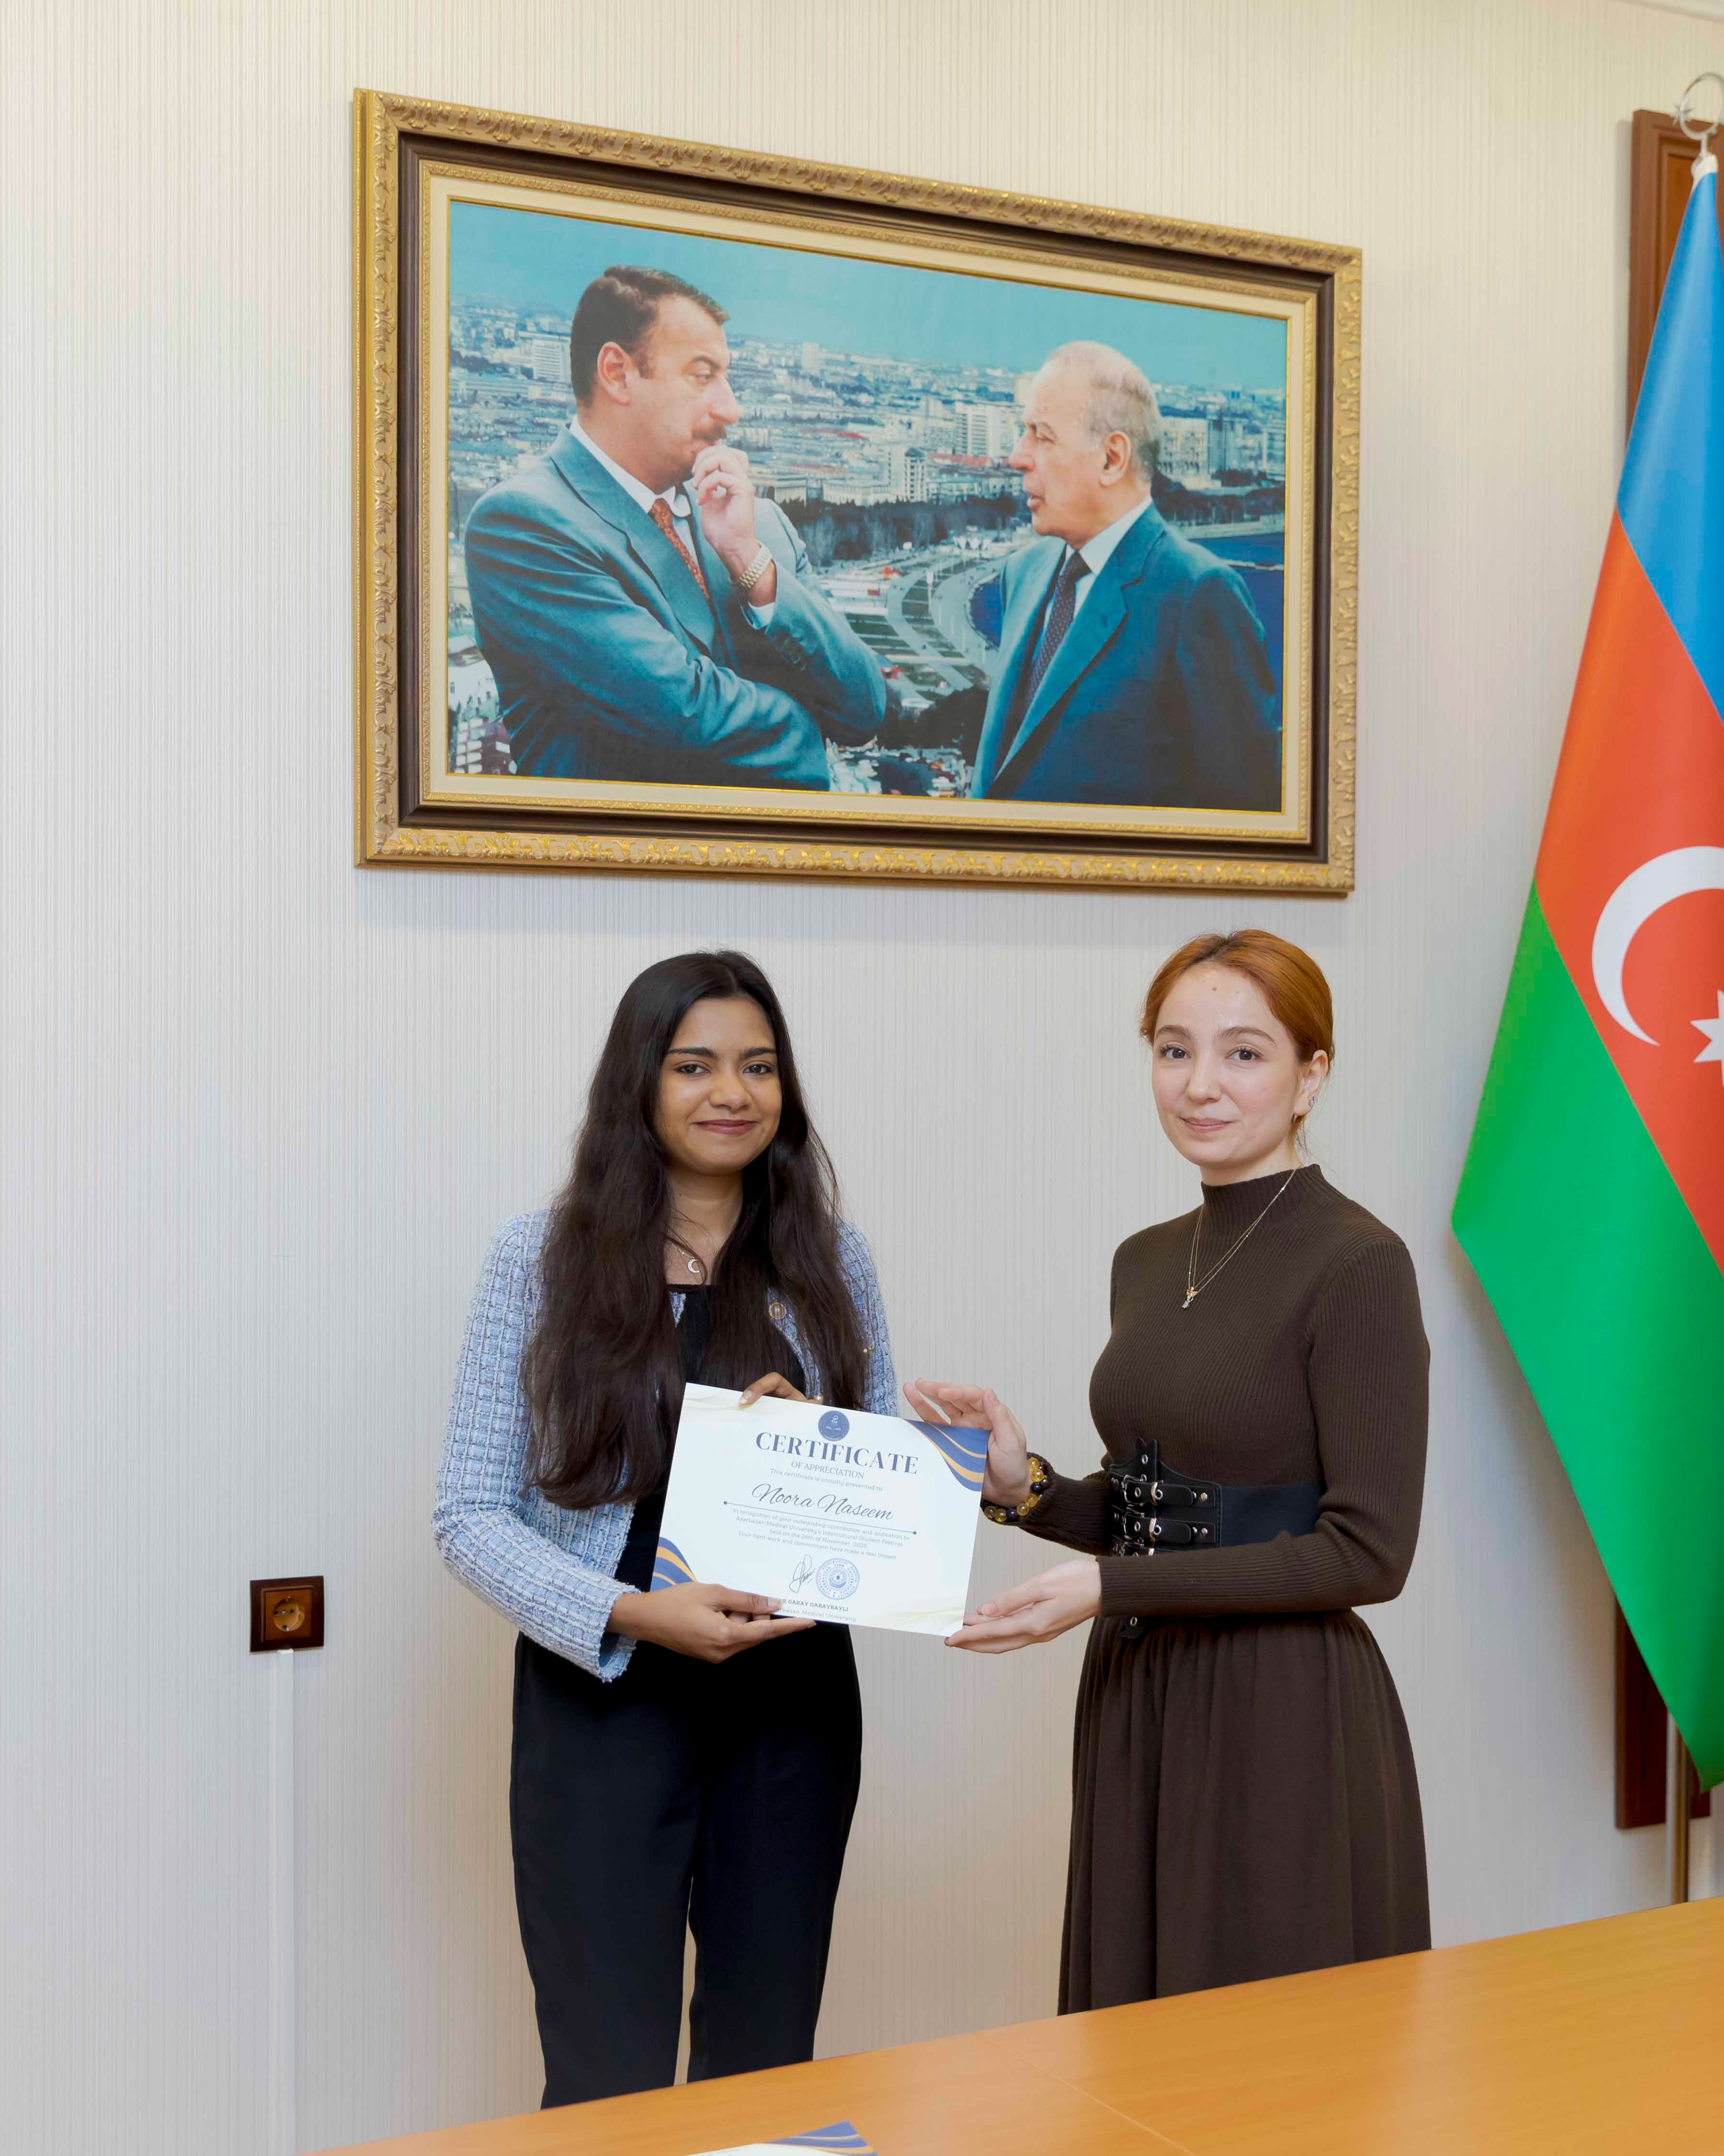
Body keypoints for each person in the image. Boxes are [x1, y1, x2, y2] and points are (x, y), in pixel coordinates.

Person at [910, 929, 1428, 2010]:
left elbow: (1369, 1553)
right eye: (1174, 1049)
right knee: (1133, 2040)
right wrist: (1025, 1487)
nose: (1200, 1085)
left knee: (1265, 2048)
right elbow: (1162, 1507)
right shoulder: (1146, 1259)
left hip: (1281, 1707)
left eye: (1244, 1053)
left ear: (1310, 1076)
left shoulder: (1360, 1262)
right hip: (1140, 1688)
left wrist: (1111, 1588)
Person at [434, 950, 901, 2105]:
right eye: (694, 1065)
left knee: (766, 2062)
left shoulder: (833, 1260)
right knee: (605, 2070)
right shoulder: (539, 1261)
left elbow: (881, 1498)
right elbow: (467, 1514)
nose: (730, 1092)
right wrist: (635, 1613)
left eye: (758, 1065)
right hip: (604, 1701)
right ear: (638, 1081)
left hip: (790, 1707)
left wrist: (818, 1439)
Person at [464, 267, 888, 789]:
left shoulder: (759, 526)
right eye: (703, 376)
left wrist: (751, 563)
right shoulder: (523, 526)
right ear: (617, 373)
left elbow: (864, 706)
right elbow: (683, 716)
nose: (731, 409)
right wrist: (811, 725)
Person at [967, 343, 1281, 812]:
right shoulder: (1024, 572)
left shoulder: (1198, 596)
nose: (1017, 457)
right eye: (1022, 432)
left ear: (1112, 459)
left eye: (1042, 437)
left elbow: (1246, 815)